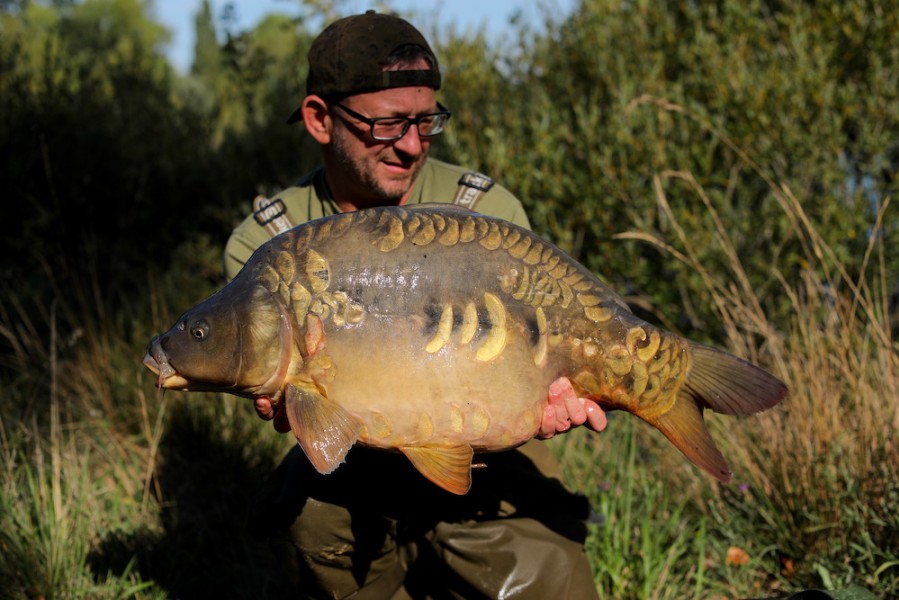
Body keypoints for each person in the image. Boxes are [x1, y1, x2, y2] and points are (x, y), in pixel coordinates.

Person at [224, 10, 607, 598]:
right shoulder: (267, 244)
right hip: (353, 469)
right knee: (313, 517)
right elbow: (298, 409)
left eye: (427, 123)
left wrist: (547, 398)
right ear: (320, 119)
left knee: (549, 576)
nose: (410, 146)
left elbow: (529, 365)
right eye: (388, 125)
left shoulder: (483, 210)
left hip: (482, 459)